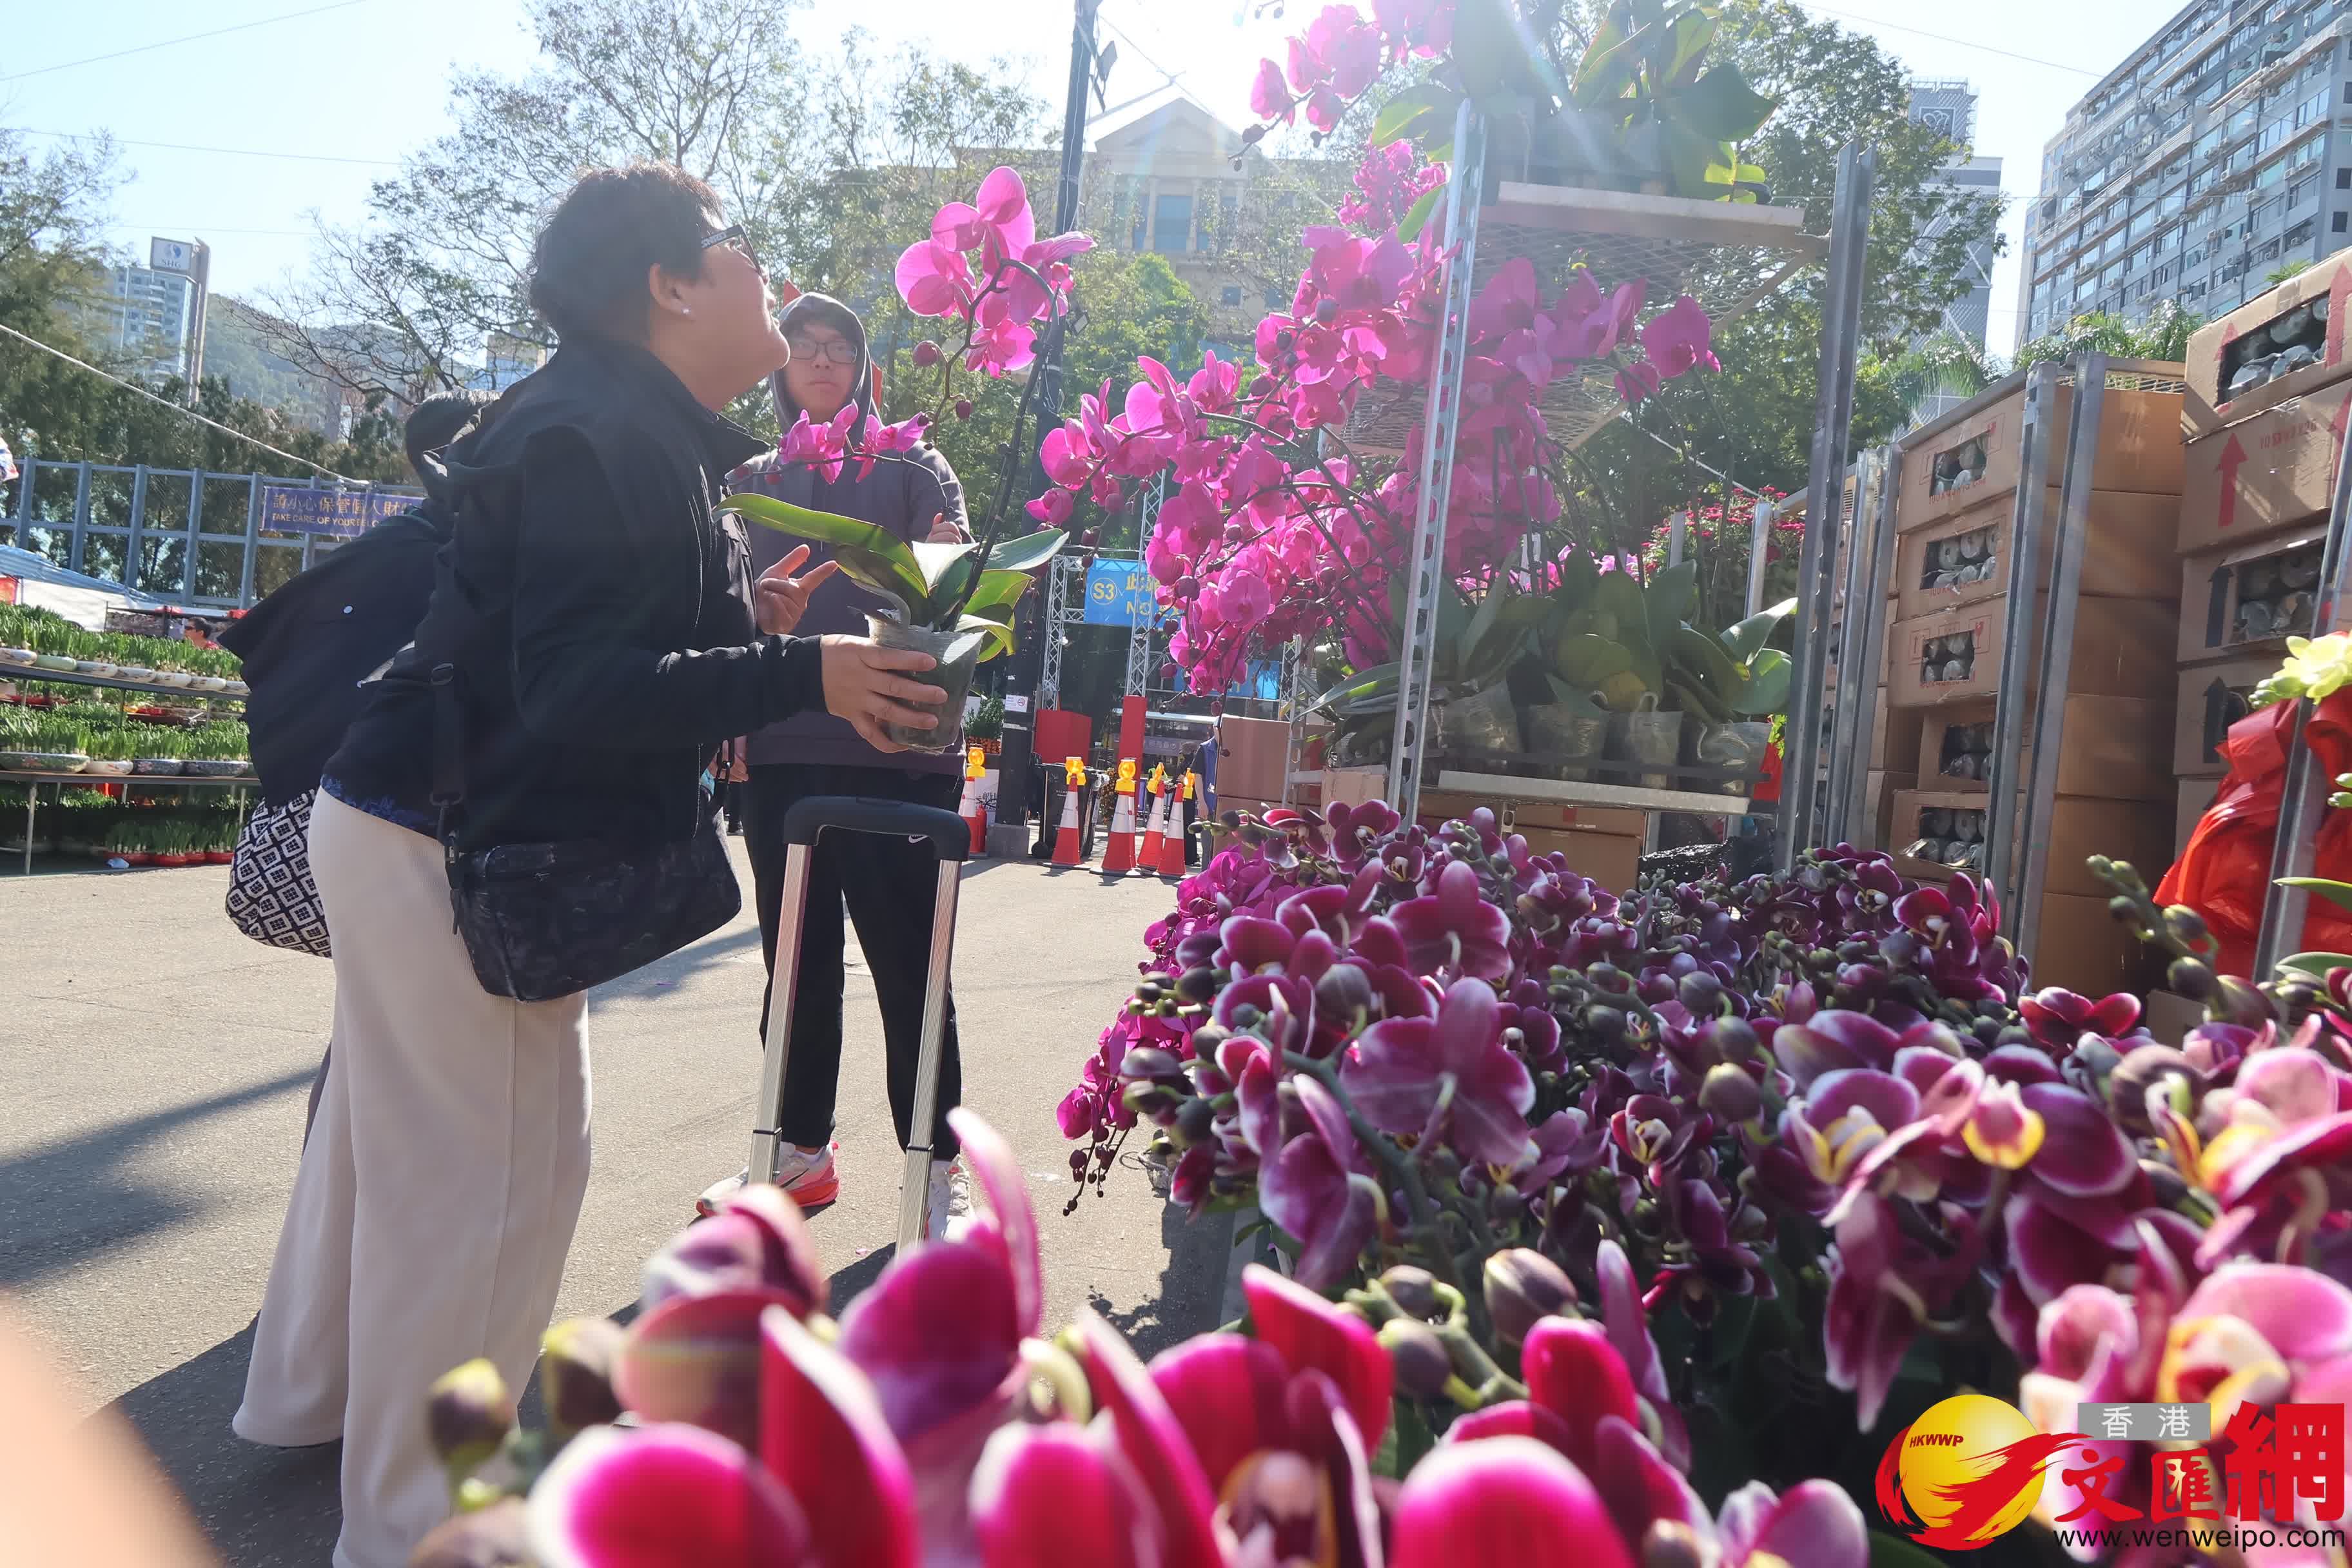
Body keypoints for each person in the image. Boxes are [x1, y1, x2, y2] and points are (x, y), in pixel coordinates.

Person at [230, 164, 943, 1568]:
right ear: (671, 286)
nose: (760, 274)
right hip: (451, 838)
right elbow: (570, 685)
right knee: (486, 1191)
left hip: (429, 821)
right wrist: (807, 666)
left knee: (428, 1162)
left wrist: (745, 613)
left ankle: (318, 1409)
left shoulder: (622, 422)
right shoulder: (594, 431)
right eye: (735, 250)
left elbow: (561, 644)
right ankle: (416, 1530)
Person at [695, 292, 972, 1229]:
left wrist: (947, 561)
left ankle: (937, 1170)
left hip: (900, 748)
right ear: (781, 371)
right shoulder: (750, 476)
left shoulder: (911, 462)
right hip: (784, 750)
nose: (821, 359)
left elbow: (955, 574)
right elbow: (720, 616)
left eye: (840, 347)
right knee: (796, 964)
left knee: (911, 969)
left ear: (864, 368)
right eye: (805, 346)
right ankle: (795, 1152)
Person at [217, 391, 491, 1141]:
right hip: (403, 819)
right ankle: (351, 1212)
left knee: (373, 1031)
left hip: (371, 808)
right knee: (398, 1040)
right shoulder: (443, 553)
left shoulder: (420, 540)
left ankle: (337, 1212)